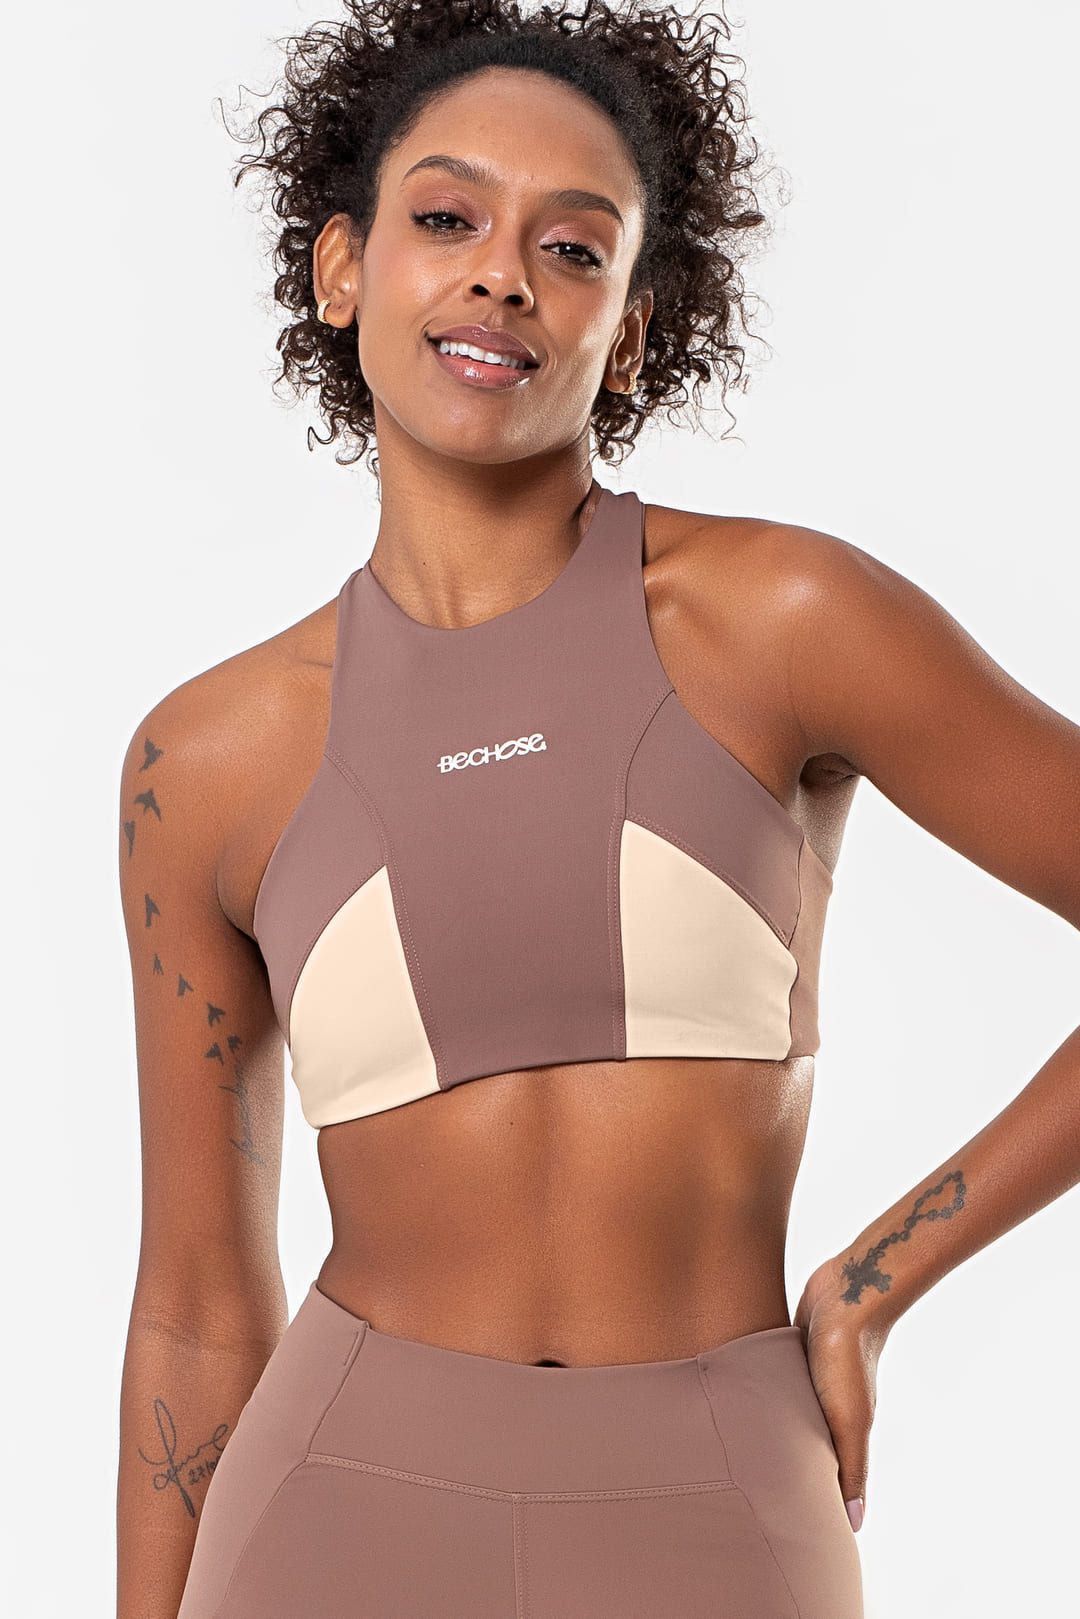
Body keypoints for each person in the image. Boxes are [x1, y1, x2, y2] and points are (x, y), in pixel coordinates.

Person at [114, 1, 1080, 1615]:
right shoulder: (206, 758)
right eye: (447, 220)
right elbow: (197, 1307)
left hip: (722, 1494)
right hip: (329, 1509)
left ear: (628, 334)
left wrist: (874, 1281)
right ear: (341, 269)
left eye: (571, 250)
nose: (502, 274)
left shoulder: (784, 620)